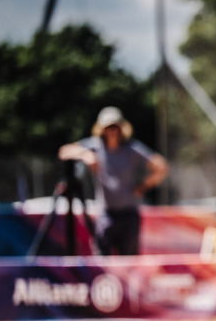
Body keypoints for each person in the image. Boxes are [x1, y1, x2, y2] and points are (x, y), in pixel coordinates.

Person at [58, 106, 168, 255]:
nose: (112, 131)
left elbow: (161, 166)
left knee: (129, 262)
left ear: (121, 128)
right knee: (100, 260)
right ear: (102, 129)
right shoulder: (95, 145)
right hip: (106, 214)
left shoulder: (131, 148)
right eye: (108, 127)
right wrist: (85, 155)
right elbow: (64, 151)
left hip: (129, 214)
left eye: (115, 127)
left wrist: (143, 186)